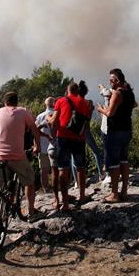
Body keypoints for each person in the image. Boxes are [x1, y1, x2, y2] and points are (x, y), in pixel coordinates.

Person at [0, 92, 42, 219]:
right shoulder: (23, 111)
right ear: (16, 102)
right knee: (30, 181)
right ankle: (31, 212)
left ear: (5, 102)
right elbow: (34, 129)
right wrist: (38, 147)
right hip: (17, 156)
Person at [97, 68, 136, 203]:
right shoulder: (130, 93)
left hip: (115, 131)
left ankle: (114, 194)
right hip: (127, 130)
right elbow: (133, 105)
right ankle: (124, 191)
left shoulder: (117, 93)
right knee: (124, 161)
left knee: (114, 163)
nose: (110, 82)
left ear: (117, 80)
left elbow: (110, 113)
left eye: (111, 80)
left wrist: (101, 109)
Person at [53, 81, 91, 211]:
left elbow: (54, 120)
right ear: (77, 90)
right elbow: (87, 123)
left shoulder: (61, 100)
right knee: (80, 167)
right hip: (79, 138)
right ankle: (81, 196)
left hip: (63, 137)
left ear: (67, 90)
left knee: (63, 169)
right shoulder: (83, 102)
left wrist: (48, 119)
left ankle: (65, 204)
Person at [72, 82, 106, 186]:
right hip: (86, 130)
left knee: (73, 156)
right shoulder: (89, 103)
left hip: (74, 131)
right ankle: (101, 174)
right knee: (95, 151)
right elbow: (89, 118)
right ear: (86, 92)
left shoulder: (72, 102)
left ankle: (76, 182)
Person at [36, 97, 56, 194]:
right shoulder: (56, 114)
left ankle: (46, 189)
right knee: (54, 168)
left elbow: (35, 130)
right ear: (54, 104)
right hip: (54, 145)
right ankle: (55, 187)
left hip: (43, 146)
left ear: (45, 104)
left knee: (44, 169)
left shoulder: (40, 116)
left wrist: (36, 145)